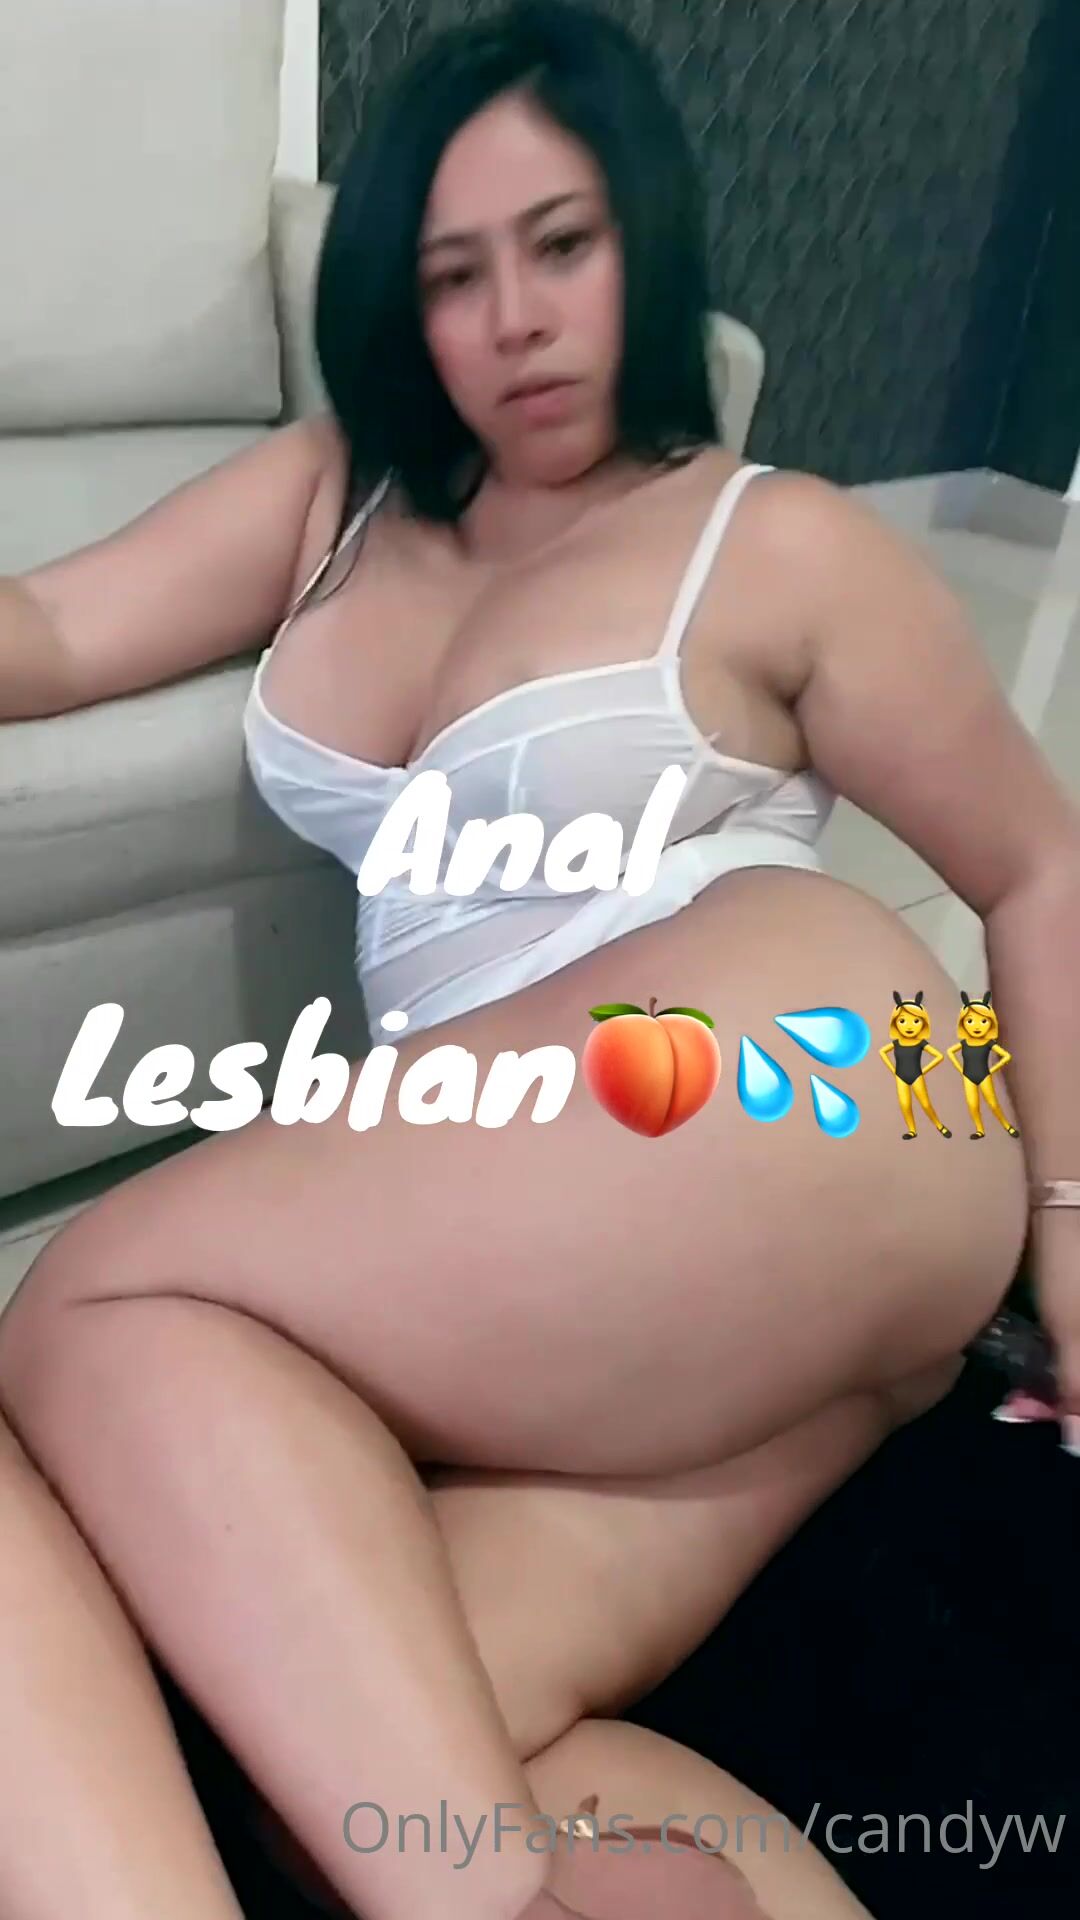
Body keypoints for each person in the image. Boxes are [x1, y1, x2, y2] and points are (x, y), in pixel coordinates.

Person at [0, 0, 1077, 1913]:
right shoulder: (341, 495)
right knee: (367, 1751)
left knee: (97, 1305)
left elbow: (1042, 864)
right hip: (620, 1247)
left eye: (562, 245)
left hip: (808, 1057)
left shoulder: (769, 539)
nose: (516, 320)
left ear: (642, 241)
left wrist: (1072, 1217)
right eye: (454, 273)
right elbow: (57, 631)